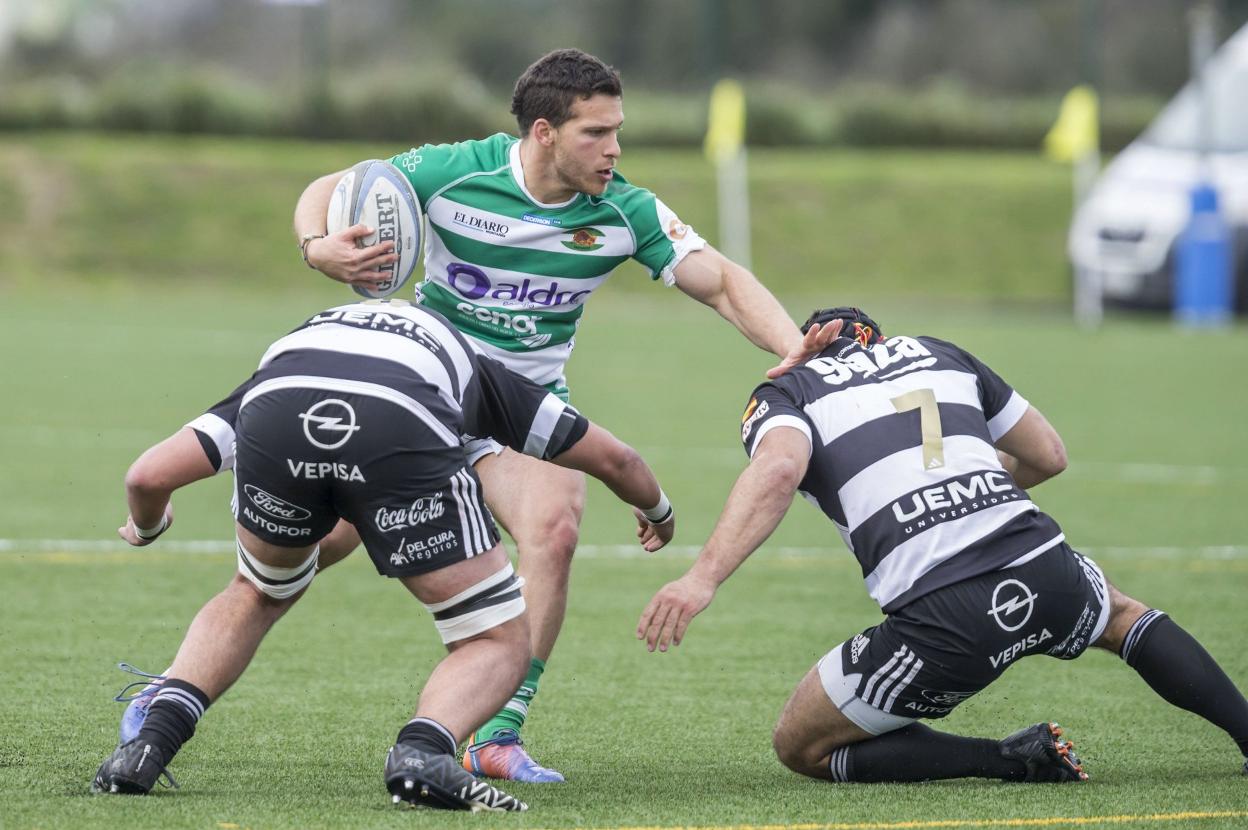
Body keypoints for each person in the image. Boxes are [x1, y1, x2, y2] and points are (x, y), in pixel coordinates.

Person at [292, 48, 825, 782]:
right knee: (317, 545)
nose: (613, 150)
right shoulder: (459, 171)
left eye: (617, 132)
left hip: (525, 414)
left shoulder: (623, 210)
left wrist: (794, 346)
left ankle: (498, 733)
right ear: (543, 132)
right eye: (594, 134)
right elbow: (334, 185)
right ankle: (181, 687)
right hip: (426, 390)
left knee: (556, 530)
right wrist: (318, 246)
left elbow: (723, 283)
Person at [92, 299, 675, 811]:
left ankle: (146, 746)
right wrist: (658, 511)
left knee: (256, 591)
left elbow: (147, 476)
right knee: (495, 639)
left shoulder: (297, 354)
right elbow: (613, 459)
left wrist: (147, 527)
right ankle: (422, 753)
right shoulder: (470, 366)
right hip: (401, 423)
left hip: (279, 417)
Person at [638, 307, 1248, 784]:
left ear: (811, 342)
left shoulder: (790, 390)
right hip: (1043, 565)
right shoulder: (939, 352)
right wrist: (971, 494)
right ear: (876, 336)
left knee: (802, 746)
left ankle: (1007, 760)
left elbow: (776, 472)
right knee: (1121, 616)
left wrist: (702, 578)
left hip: (945, 614)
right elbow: (1049, 456)